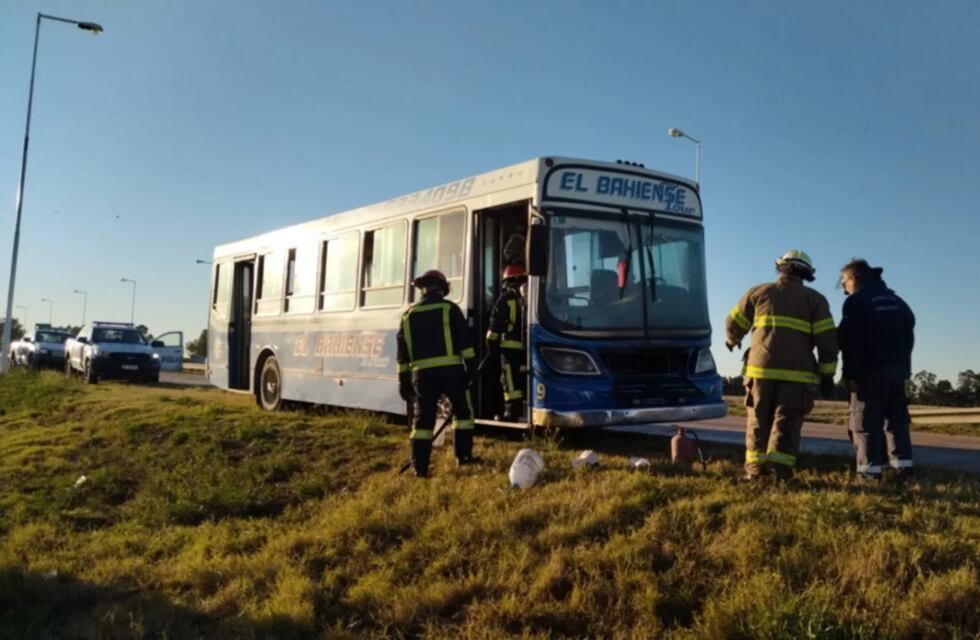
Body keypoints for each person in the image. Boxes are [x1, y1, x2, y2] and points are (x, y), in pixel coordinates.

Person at [725, 250, 839, 481]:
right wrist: (827, 375)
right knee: (787, 422)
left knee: (758, 419)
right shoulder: (816, 300)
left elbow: (733, 323)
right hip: (797, 376)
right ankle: (780, 473)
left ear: (780, 268)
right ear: (806, 273)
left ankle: (755, 472)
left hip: (760, 372)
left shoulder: (758, 293)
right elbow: (827, 342)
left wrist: (732, 340)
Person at [837, 259, 916, 482]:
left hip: (869, 373)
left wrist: (849, 373)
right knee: (897, 422)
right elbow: (909, 332)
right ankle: (903, 471)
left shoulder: (856, 302)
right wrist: (904, 369)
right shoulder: (898, 302)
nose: (844, 288)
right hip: (898, 373)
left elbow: (850, 340)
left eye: (844, 282)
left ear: (855, 278)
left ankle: (869, 475)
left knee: (864, 423)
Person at [396, 270, 477, 477]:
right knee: (463, 413)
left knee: (423, 421)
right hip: (451, 373)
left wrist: (404, 383)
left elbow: (402, 357)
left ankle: (419, 468)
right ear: (442, 288)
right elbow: (465, 344)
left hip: (422, 377)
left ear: (422, 290)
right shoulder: (449, 309)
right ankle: (463, 457)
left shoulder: (408, 316)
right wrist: (471, 370)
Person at [486, 264, 527, 421]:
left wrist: (491, 345)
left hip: (509, 348)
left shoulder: (504, 299)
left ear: (507, 281)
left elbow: (495, 326)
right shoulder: (531, 297)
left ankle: (512, 412)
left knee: (510, 380)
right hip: (528, 346)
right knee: (524, 376)